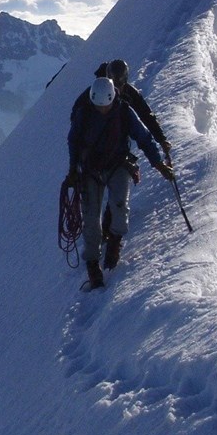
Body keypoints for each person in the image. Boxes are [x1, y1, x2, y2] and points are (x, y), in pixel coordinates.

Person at [67, 76, 174, 290]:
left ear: (112, 98)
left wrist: (159, 164)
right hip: (90, 169)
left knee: (119, 206)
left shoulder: (124, 111)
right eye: (99, 106)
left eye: (105, 106)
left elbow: (143, 138)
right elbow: (73, 141)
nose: (102, 110)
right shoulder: (85, 113)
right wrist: (73, 169)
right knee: (91, 217)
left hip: (117, 165)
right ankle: (93, 264)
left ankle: (114, 242)